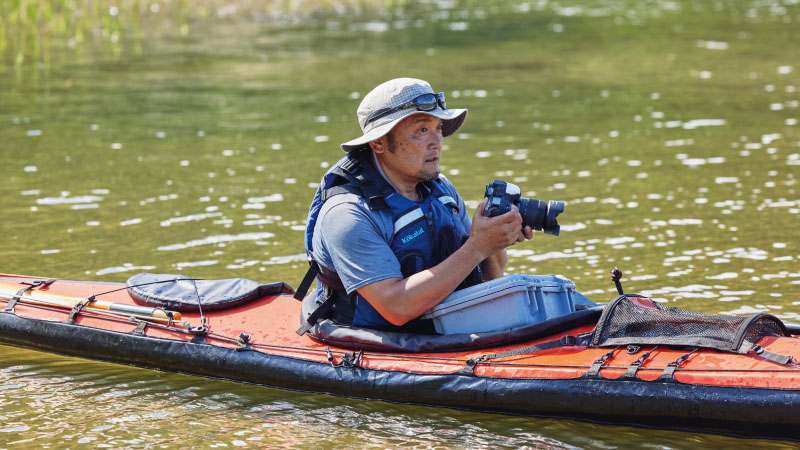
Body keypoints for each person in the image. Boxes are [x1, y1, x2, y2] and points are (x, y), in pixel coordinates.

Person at [299, 78, 532, 334]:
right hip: (378, 340)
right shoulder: (347, 214)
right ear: (377, 143)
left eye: (439, 128)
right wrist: (478, 246)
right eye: (421, 130)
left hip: (446, 327)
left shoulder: (440, 188)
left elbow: (489, 278)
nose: (437, 143)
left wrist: (495, 239)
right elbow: (396, 308)